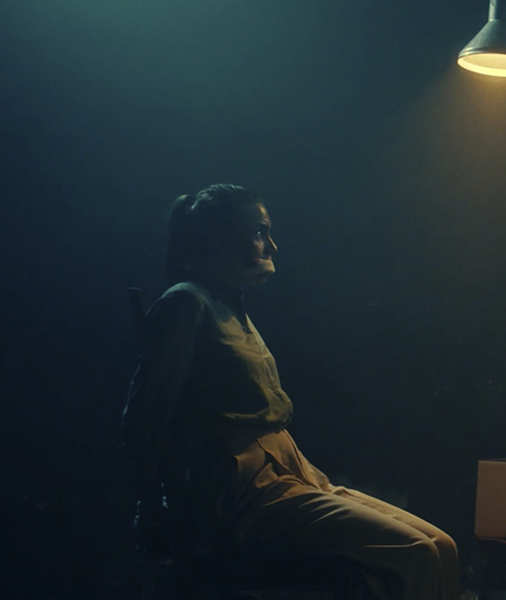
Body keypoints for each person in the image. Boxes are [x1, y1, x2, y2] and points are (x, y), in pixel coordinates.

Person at [122, 184, 460, 600]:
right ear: (220, 240)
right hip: (240, 490)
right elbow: (144, 418)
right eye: (259, 232)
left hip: (289, 468)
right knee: (414, 554)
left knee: (442, 546)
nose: (272, 246)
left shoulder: (229, 305)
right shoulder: (186, 303)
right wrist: (151, 509)